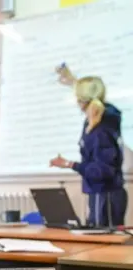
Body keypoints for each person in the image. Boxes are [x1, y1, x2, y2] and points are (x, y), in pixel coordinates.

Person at [50, 63, 127, 227]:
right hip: (105, 195)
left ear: (80, 100)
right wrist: (72, 81)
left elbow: (102, 170)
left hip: (104, 196)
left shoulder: (100, 130)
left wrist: (70, 164)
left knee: (103, 246)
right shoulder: (105, 119)